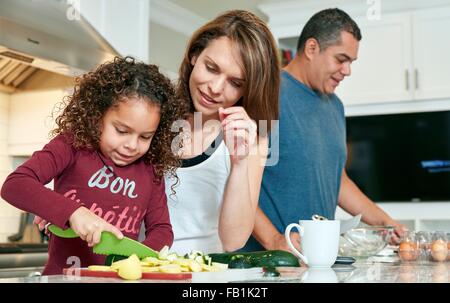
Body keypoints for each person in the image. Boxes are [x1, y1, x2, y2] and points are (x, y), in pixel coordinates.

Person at [241, 8, 407, 252]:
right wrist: (275, 241)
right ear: (311, 48)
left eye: (351, 62)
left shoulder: (335, 107)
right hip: (267, 261)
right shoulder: (266, 93)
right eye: (341, 59)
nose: (347, 70)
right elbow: (234, 179)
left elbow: (337, 180)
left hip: (316, 257)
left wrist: (384, 221)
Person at [0, 57, 185, 274]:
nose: (132, 145)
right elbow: (15, 185)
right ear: (97, 116)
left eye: (145, 137)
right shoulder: (72, 145)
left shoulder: (150, 169)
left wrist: (138, 261)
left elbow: (162, 229)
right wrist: (73, 212)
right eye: (122, 131)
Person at [165, 10, 280, 254]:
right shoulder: (156, 116)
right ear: (195, 55)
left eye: (235, 83)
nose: (215, 88)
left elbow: (234, 241)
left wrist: (239, 163)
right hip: (142, 272)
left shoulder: (254, 141)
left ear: (247, 91)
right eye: (211, 68)